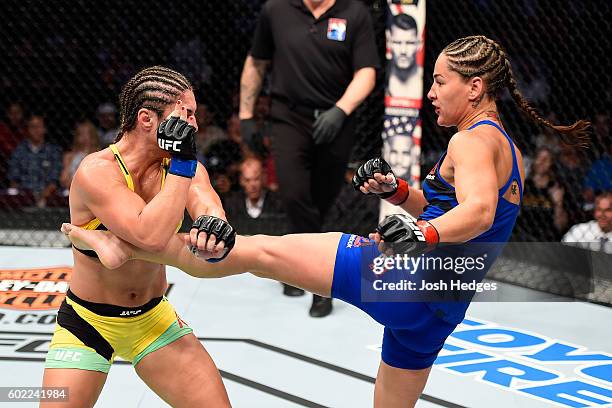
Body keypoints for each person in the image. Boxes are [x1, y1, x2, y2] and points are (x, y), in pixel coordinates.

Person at [61, 36, 589, 407]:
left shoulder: (471, 139)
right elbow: (453, 204)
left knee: (258, 253)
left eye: (441, 81)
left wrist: (423, 233)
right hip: (440, 308)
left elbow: (478, 212)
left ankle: (107, 244)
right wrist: (399, 193)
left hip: (403, 279)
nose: (431, 92)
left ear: (474, 88)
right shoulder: (507, 148)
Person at [41, 66, 236, 408]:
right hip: (87, 323)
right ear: (147, 119)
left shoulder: (180, 166)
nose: (194, 124)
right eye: (184, 114)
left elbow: (205, 200)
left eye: (194, 114)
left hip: (153, 320)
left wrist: (212, 224)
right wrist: (183, 165)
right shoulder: (97, 171)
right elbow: (151, 235)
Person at [239, 0, 379, 316]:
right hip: (289, 116)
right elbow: (256, 62)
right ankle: (321, 280)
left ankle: (293, 266)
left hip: (337, 118)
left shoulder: (354, 12)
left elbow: (366, 72)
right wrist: (246, 114)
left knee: (322, 199)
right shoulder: (276, 9)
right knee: (293, 193)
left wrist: (340, 110)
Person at [223, 157, 288, 235]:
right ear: (241, 181)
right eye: (247, 180)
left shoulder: (278, 203)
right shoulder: (232, 204)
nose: (252, 185)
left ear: (263, 178)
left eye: (256, 179)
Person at [8, 115, 63, 208]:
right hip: (23, 197)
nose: (36, 130)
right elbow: (14, 179)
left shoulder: (53, 151)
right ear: (28, 129)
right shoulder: (19, 151)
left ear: (44, 129)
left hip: (47, 198)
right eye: (33, 127)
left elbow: (54, 181)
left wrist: (42, 197)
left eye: (39, 126)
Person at [386, 13, 423, 99]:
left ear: (419, 44)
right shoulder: (380, 80)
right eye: (397, 42)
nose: (403, 51)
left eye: (410, 43)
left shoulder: (432, 81)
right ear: (389, 42)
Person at [60, 120, 100, 192]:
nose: (84, 137)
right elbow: (63, 179)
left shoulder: (97, 155)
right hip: (70, 190)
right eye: (81, 133)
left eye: (87, 133)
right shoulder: (69, 156)